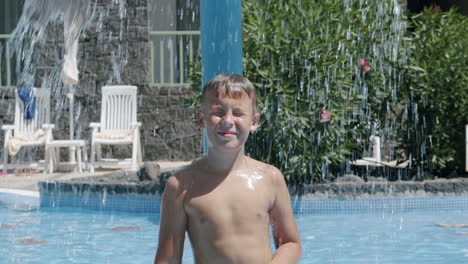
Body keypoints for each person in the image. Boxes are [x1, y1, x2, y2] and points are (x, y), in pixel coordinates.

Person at [154, 73, 301, 263]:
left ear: (254, 122)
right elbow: (168, 259)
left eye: (238, 113)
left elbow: (290, 243)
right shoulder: (181, 186)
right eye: (218, 112)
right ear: (201, 119)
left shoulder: (269, 178)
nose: (228, 120)